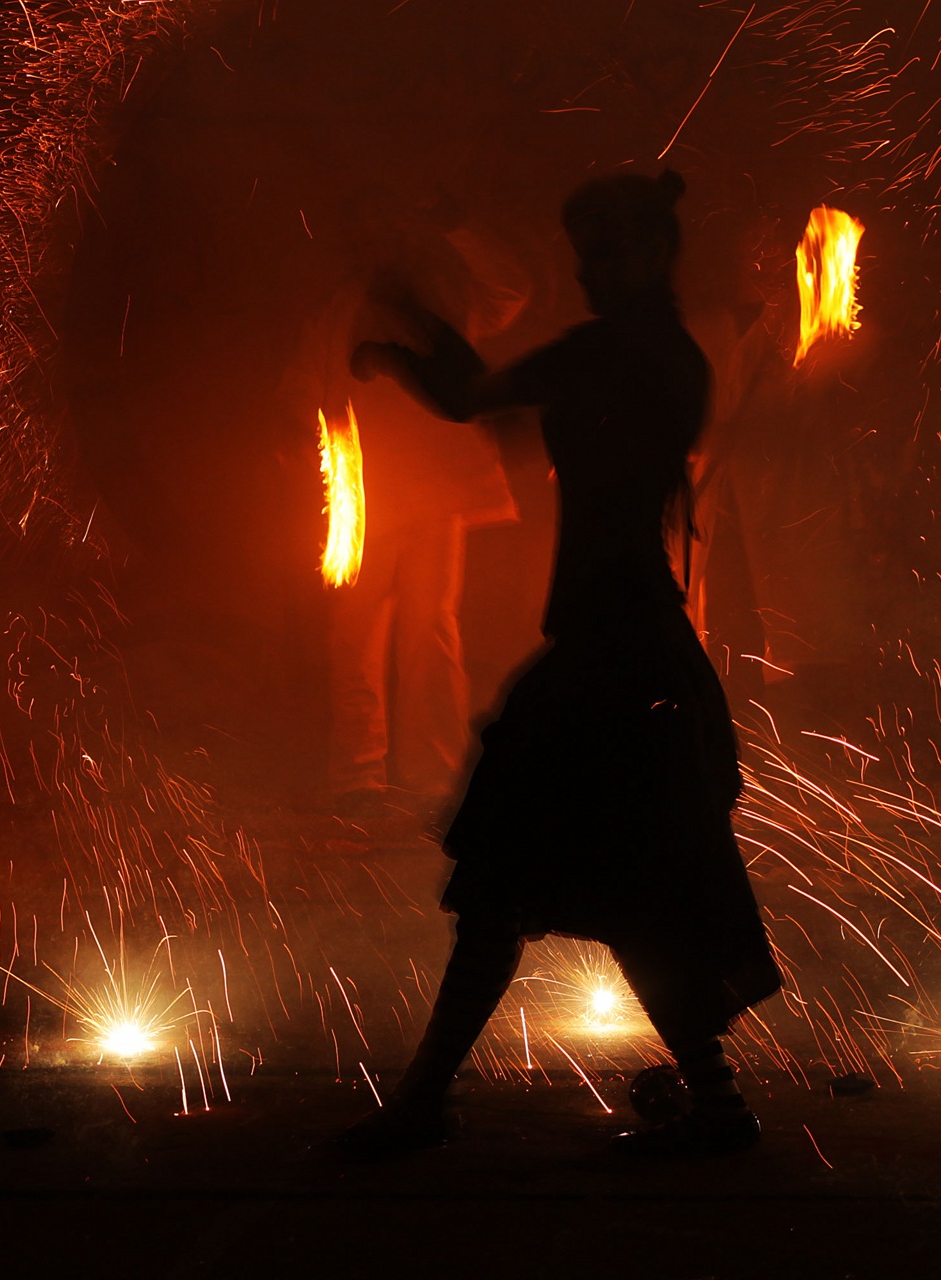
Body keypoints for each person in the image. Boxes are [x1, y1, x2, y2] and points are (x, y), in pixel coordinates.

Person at [340, 169, 782, 1156]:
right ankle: (716, 1107)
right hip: (629, 642)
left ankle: (420, 1106)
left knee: (509, 879)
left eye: (607, 253)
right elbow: (487, 400)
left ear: (656, 254)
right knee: (631, 887)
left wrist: (400, 324)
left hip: (612, 654)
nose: (589, 272)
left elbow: (468, 395)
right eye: (584, 255)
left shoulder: (613, 352)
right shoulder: (664, 355)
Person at [286, 198, 522, 816]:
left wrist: (460, 225)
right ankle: (359, 780)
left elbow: (511, 290)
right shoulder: (337, 314)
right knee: (357, 637)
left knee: (430, 631)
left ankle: (434, 776)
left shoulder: (444, 297)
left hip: (435, 497)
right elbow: (300, 392)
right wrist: (299, 457)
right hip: (364, 504)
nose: (378, 248)